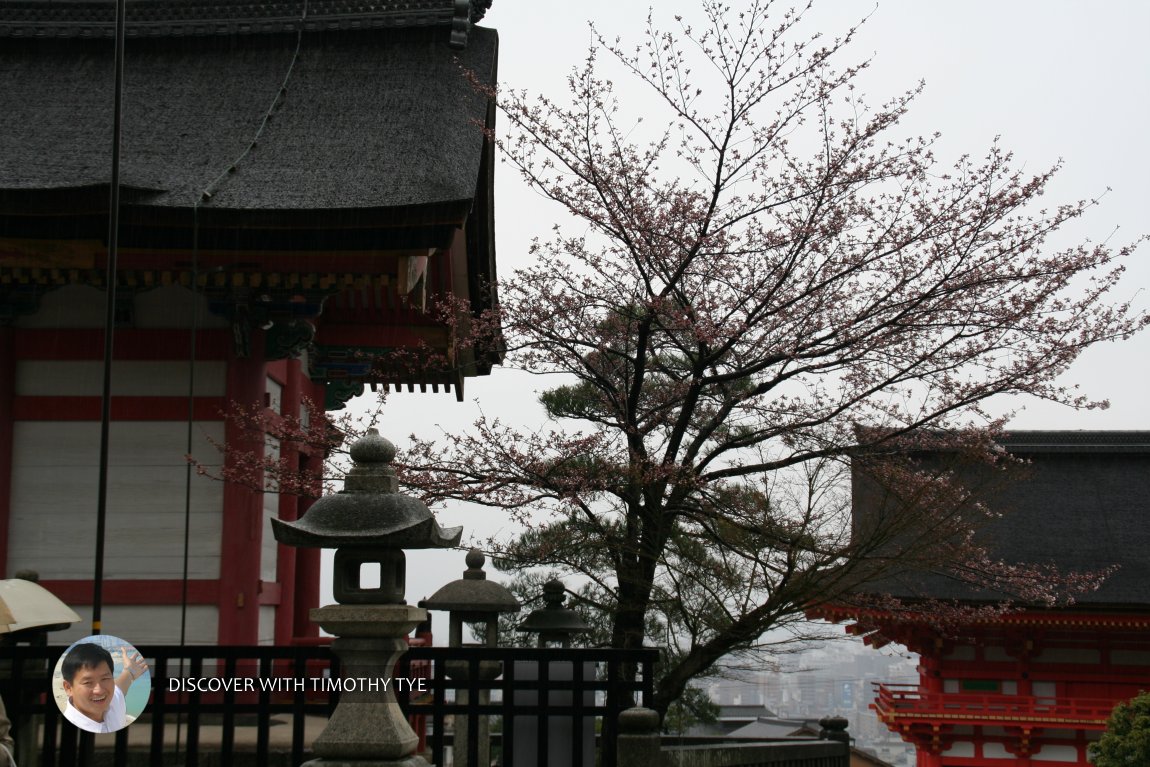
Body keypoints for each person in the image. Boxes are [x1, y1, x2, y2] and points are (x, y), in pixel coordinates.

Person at [60, 643, 147, 734]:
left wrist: (130, 671)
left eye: (105, 679)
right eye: (88, 682)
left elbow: (120, 686)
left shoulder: (112, 702)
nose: (99, 690)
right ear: (68, 688)